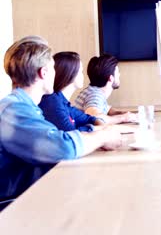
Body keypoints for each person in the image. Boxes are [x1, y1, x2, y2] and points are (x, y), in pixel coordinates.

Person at [0, 36, 121, 208]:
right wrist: (103, 136)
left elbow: (56, 138)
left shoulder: (25, 107)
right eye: (53, 68)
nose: (56, 73)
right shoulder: (14, 111)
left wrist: (92, 133)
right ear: (44, 72)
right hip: (12, 207)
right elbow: (63, 147)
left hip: (28, 199)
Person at [39, 52, 104, 131]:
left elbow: (90, 119)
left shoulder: (63, 102)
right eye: (81, 71)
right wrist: (98, 129)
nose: (83, 75)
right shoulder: (52, 103)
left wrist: (100, 126)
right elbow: (72, 135)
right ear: (70, 73)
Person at [75, 54, 136, 124]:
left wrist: (125, 114)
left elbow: (107, 110)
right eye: (118, 72)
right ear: (111, 78)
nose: (119, 74)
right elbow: (94, 117)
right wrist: (123, 118)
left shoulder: (91, 90)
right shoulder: (95, 95)